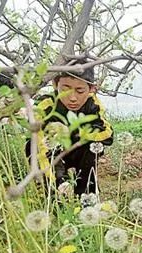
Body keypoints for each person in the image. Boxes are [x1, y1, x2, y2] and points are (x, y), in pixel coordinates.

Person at [27, 59, 113, 195]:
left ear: (91, 89)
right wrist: (60, 180)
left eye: (80, 91)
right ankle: (51, 193)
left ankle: (87, 193)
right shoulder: (44, 106)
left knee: (93, 146)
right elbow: (43, 149)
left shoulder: (93, 103)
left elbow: (107, 134)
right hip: (53, 152)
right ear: (55, 84)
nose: (72, 98)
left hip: (79, 149)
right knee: (32, 146)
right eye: (65, 90)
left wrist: (78, 134)